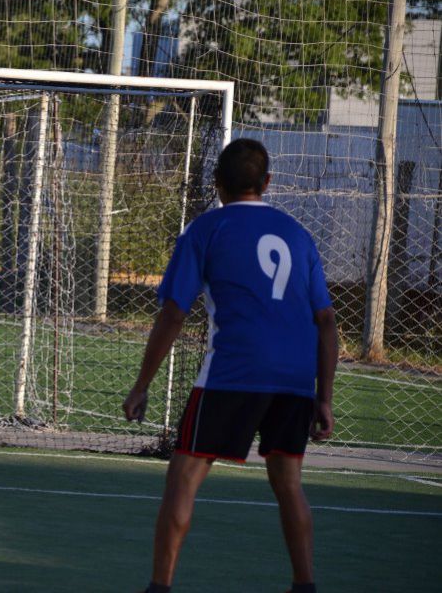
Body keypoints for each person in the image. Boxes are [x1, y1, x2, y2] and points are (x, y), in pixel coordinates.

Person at [122, 139, 338, 593]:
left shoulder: (205, 229)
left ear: (216, 184)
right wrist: (324, 397)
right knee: (288, 482)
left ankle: (159, 587)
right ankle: (306, 586)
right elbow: (326, 321)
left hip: (234, 371)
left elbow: (174, 313)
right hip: (296, 379)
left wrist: (142, 384)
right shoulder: (298, 235)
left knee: (184, 473)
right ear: (268, 182)